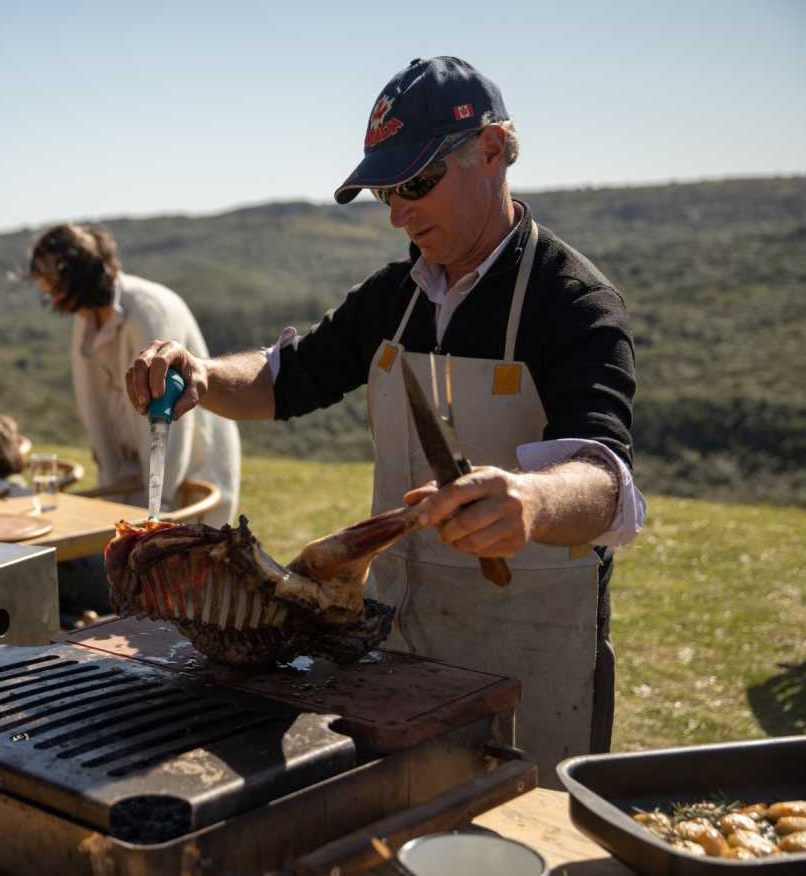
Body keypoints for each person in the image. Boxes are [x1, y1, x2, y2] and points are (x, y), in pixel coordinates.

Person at [125, 56, 645, 780]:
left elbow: (605, 481)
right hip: (398, 639)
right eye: (384, 193)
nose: (398, 212)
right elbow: (284, 379)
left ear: (492, 151)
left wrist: (531, 500)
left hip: (531, 651)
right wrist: (204, 376)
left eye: (415, 184)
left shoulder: (575, 304)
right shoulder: (394, 295)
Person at [26, 223, 240, 526]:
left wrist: (158, 506)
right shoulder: (86, 323)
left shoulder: (150, 311)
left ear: (76, 276)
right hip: (131, 485)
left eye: (53, 285)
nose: (50, 296)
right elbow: (98, 410)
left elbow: (171, 418)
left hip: (185, 483)